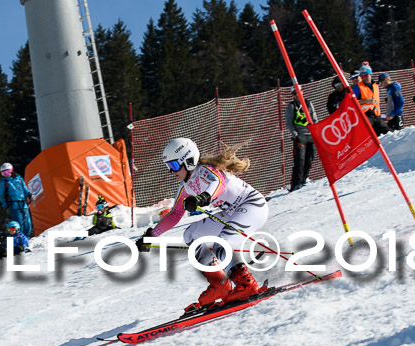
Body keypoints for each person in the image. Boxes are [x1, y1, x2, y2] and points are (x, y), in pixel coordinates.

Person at [136, 138, 269, 314]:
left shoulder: (205, 171)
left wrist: (202, 198)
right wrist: (151, 235)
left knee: (222, 243)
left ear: (188, 160)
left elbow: (218, 184)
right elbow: (175, 214)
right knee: (192, 234)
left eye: (174, 166)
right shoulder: (185, 187)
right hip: (231, 213)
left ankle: (246, 285)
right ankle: (220, 284)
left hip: (252, 206)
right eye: (169, 167)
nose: (171, 171)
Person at [285, 86, 317, 192]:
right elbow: (289, 122)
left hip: (310, 135)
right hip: (300, 135)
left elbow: (314, 118)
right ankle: (296, 183)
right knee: (300, 160)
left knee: (310, 158)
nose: (297, 95)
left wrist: (315, 131)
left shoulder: (308, 103)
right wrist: (295, 134)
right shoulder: (292, 106)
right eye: (295, 93)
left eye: (298, 92)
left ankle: (304, 179)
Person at [0, 162, 33, 238]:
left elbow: (24, 189)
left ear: (11, 171)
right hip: (14, 206)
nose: (5, 174)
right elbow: (0, 195)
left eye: (7, 172)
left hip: (23, 204)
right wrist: (5, 205)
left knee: (27, 223)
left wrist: (29, 194)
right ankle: (18, 240)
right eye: (3, 173)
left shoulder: (19, 179)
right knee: (18, 224)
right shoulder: (4, 183)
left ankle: (26, 240)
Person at [352, 64, 389, 136]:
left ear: (370, 74)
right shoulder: (358, 87)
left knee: (388, 134)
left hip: (376, 116)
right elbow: (352, 102)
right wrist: (366, 101)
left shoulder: (375, 86)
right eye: (362, 76)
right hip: (365, 117)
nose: (364, 78)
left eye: (366, 75)